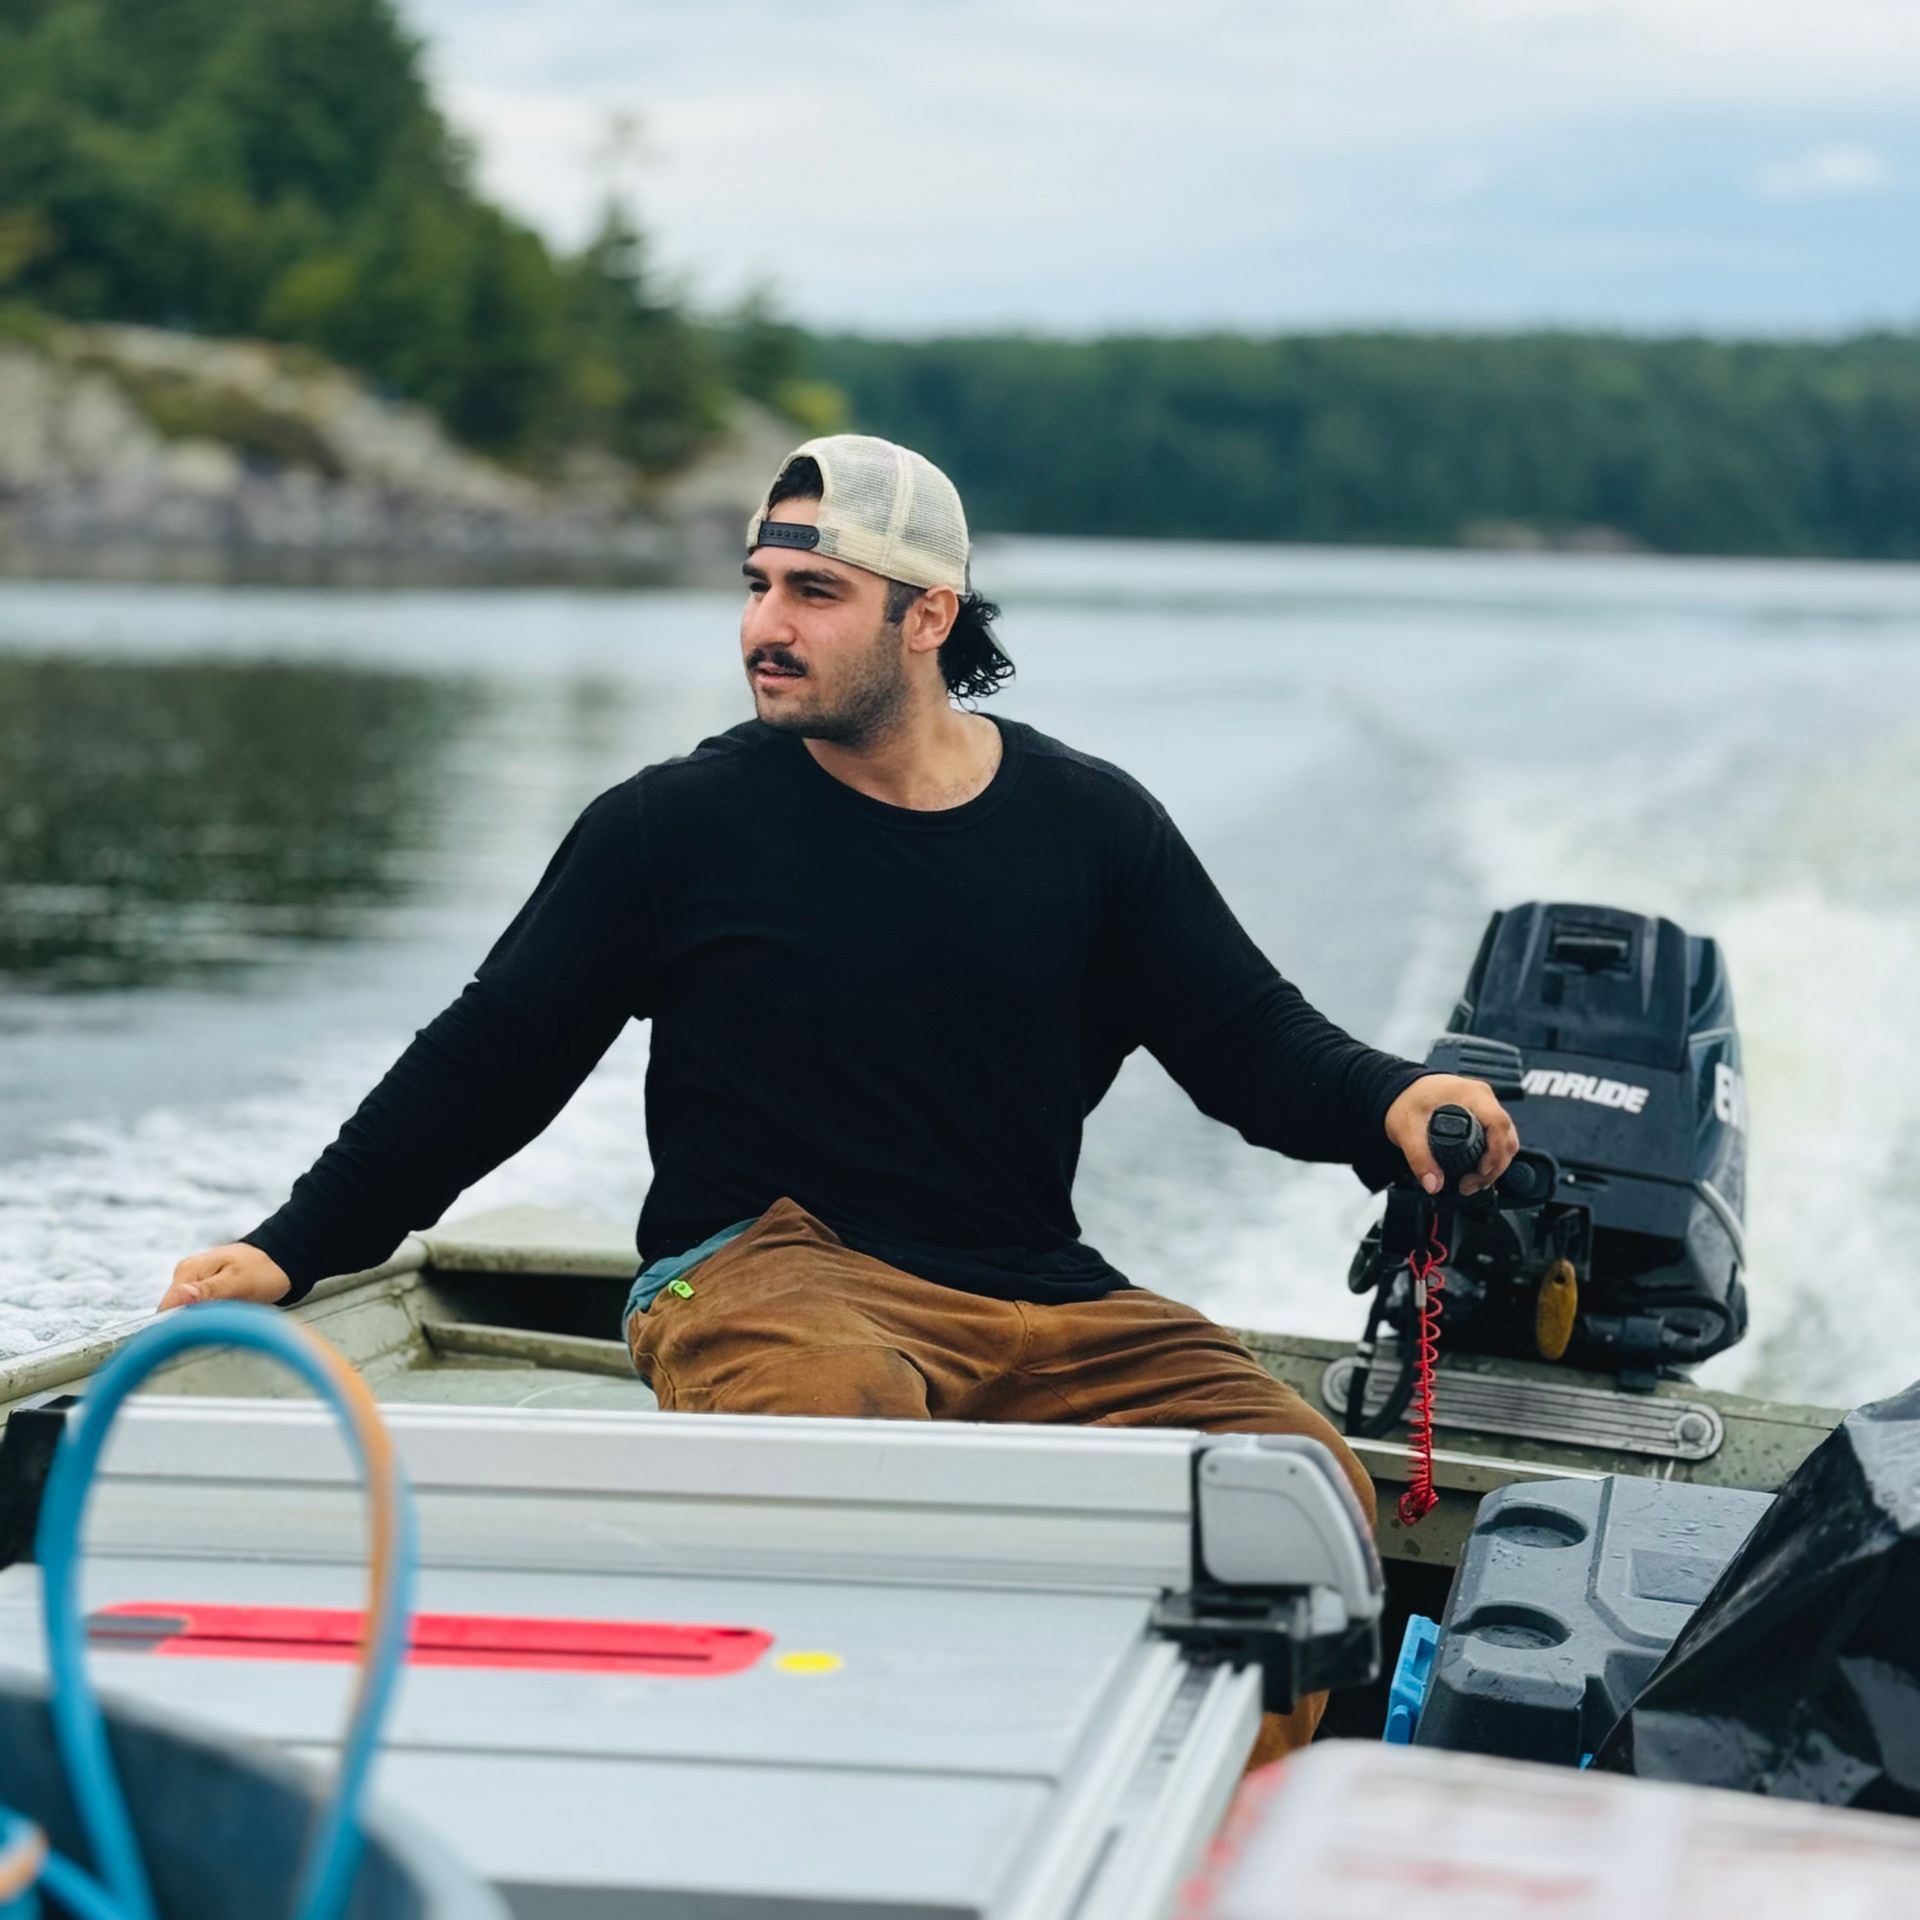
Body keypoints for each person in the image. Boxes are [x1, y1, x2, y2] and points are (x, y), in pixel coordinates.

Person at [160, 433, 1518, 1765]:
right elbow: (487, 1062)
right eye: (756, 586)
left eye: (812, 593)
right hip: (764, 1270)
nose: (766, 625)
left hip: (1043, 1297)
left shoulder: (1089, 827)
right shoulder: (670, 829)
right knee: (842, 1434)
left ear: (927, 615)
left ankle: (1205, 1836)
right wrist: (293, 1245)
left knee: (1297, 1487)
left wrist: (1392, 1101)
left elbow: (1251, 1042)